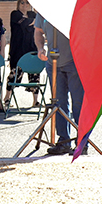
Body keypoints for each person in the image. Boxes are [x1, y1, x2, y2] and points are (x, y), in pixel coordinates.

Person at [33, 13, 84, 155]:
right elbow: (38, 31)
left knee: (78, 103)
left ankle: (82, 142)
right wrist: (40, 48)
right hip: (53, 63)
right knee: (59, 104)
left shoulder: (72, 5)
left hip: (74, 62)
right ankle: (63, 142)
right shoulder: (43, 7)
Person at [8, 0, 38, 106]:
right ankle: (7, 98)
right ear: (18, 4)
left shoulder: (32, 15)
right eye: (22, 3)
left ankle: (35, 101)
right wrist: (33, 22)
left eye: (27, 3)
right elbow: (24, 23)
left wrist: (33, 21)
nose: (25, 5)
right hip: (18, 49)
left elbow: (37, 25)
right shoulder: (15, 14)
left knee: (34, 75)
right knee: (15, 74)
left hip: (31, 48)